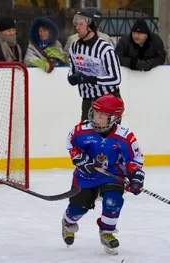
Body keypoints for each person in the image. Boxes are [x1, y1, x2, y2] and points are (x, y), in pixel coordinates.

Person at [62, 94, 145, 255]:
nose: (95, 117)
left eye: (101, 116)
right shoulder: (81, 131)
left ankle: (107, 231)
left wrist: (136, 176)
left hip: (112, 174)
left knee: (113, 201)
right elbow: (71, 144)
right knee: (78, 208)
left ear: (114, 118)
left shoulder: (125, 136)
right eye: (95, 113)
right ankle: (68, 223)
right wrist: (79, 159)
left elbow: (134, 158)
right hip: (85, 176)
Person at [68, 8, 122, 121]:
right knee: (85, 136)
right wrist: (72, 78)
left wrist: (92, 79)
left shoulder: (105, 49)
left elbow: (116, 78)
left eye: (81, 24)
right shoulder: (74, 47)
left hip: (108, 100)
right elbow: (72, 70)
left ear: (91, 25)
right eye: (76, 24)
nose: (77, 27)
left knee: (107, 137)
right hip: (88, 100)